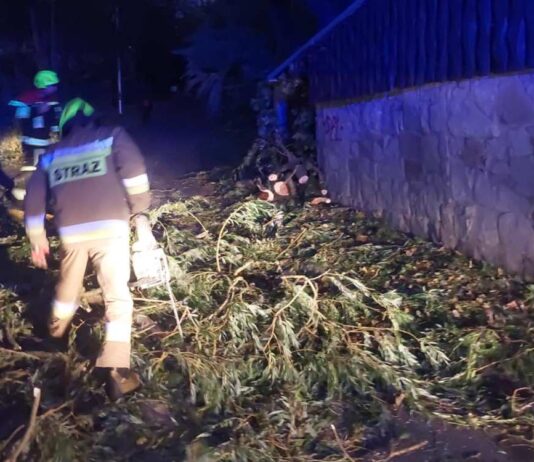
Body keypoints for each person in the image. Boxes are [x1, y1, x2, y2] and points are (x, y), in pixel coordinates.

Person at [23, 97, 155, 399]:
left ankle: (55, 337)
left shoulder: (51, 154)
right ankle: (116, 368)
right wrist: (140, 210)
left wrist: (36, 236)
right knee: (117, 295)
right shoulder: (112, 136)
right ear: (91, 120)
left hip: (71, 232)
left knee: (68, 287)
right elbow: (134, 171)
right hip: (112, 228)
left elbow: (34, 197)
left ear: (64, 127)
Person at [9, 70, 62, 201]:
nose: (55, 87)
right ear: (44, 86)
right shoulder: (27, 100)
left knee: (43, 169)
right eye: (52, 85)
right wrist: (38, 113)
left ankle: (41, 195)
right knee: (32, 169)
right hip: (32, 143)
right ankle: (22, 194)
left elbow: (54, 121)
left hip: (45, 142)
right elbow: (21, 122)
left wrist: (57, 133)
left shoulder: (52, 101)